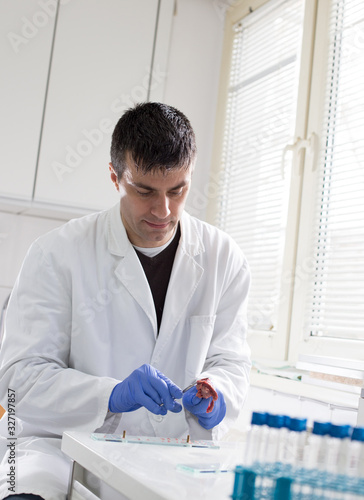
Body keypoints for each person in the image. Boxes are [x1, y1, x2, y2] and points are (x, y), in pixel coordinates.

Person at [0, 102, 251, 500]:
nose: (163, 210)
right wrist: (111, 395)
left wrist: (216, 394)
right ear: (115, 177)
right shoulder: (56, 253)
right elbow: (18, 382)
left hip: (172, 459)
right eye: (145, 191)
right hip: (57, 450)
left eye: (178, 190)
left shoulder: (224, 257)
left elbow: (230, 361)